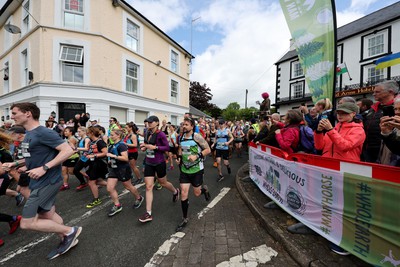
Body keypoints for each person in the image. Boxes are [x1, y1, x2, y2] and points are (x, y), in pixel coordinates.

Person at [4, 102, 81, 260]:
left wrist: (44, 167)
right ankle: (65, 237)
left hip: (48, 181)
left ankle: (69, 232)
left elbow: (68, 150)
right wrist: (16, 164)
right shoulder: (29, 134)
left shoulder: (43, 132)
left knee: (26, 223)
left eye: (14, 113)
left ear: (28, 114)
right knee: (48, 213)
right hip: (38, 181)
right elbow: (33, 157)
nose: (11, 117)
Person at [314, 102, 366, 255]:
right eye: (339, 112)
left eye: (344, 113)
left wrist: (330, 130)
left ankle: (345, 242)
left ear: (353, 115)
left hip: (346, 172)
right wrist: (318, 132)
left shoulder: (359, 130)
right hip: (329, 170)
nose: (340, 115)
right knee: (330, 203)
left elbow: (345, 146)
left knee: (344, 208)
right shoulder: (335, 128)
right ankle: (332, 232)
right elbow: (319, 147)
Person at [138, 115, 180, 223]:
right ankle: (148, 213)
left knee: (163, 183)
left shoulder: (160, 134)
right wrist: (144, 146)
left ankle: (175, 191)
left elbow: (167, 147)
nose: (149, 124)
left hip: (159, 162)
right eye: (148, 122)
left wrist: (155, 147)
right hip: (148, 162)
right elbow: (148, 145)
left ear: (157, 123)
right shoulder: (147, 132)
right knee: (148, 186)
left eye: (151, 122)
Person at [175, 117, 211, 231]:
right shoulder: (181, 137)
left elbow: (208, 150)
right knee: (184, 192)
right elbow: (181, 149)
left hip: (196, 170)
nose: (184, 126)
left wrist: (197, 156)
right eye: (183, 124)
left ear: (191, 126)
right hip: (185, 170)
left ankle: (204, 190)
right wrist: (179, 158)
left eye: (186, 124)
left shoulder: (197, 136)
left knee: (196, 193)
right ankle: (185, 218)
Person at [106, 129, 144, 217]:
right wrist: (109, 161)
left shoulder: (122, 145)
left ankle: (139, 198)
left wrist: (114, 156)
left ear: (118, 136)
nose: (110, 136)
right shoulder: (112, 145)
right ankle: (117, 205)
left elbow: (125, 158)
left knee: (128, 186)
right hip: (113, 169)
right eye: (110, 135)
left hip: (123, 169)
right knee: (110, 188)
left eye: (112, 135)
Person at [362, 80, 398, 163]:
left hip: (387, 152)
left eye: (377, 92)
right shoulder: (373, 108)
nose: (373, 94)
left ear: (390, 92)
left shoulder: (396, 108)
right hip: (368, 150)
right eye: (374, 92)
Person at [85, 126, 108, 208]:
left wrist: (94, 155)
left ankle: (96, 199)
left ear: (92, 133)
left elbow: (105, 153)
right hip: (92, 163)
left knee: (91, 182)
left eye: (87, 132)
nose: (86, 134)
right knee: (96, 181)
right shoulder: (92, 142)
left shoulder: (100, 142)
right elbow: (90, 151)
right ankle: (110, 185)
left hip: (98, 164)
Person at [379, 98, 400, 163]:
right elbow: (397, 150)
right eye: (395, 109)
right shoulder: (396, 124)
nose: (397, 112)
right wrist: (386, 133)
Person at [72, 127, 90, 191]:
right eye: (78, 131)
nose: (78, 133)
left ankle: (95, 182)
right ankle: (83, 182)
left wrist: (77, 148)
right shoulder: (81, 139)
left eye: (79, 132)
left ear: (84, 132)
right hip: (83, 158)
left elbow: (86, 149)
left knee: (89, 172)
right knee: (75, 170)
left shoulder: (87, 139)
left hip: (88, 158)